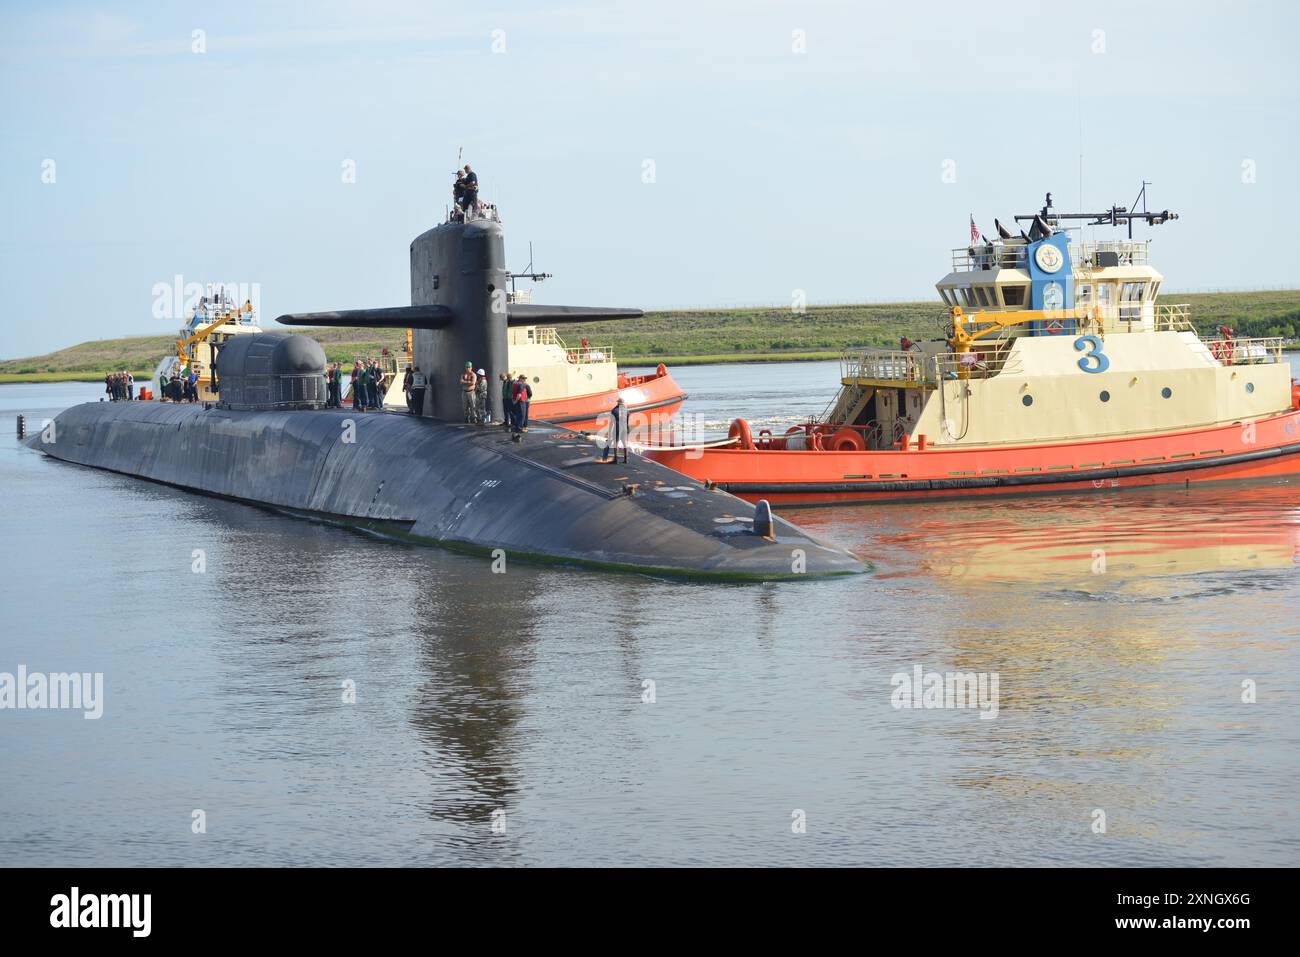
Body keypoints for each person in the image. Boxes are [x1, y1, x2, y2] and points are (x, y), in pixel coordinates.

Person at [605, 396, 629, 464]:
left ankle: (615, 460)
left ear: (618, 403)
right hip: (624, 428)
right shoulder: (627, 411)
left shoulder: (614, 410)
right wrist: (627, 430)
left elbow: (611, 422)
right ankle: (626, 459)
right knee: (625, 443)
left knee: (616, 443)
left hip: (617, 428)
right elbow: (627, 421)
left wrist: (609, 432)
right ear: (623, 403)